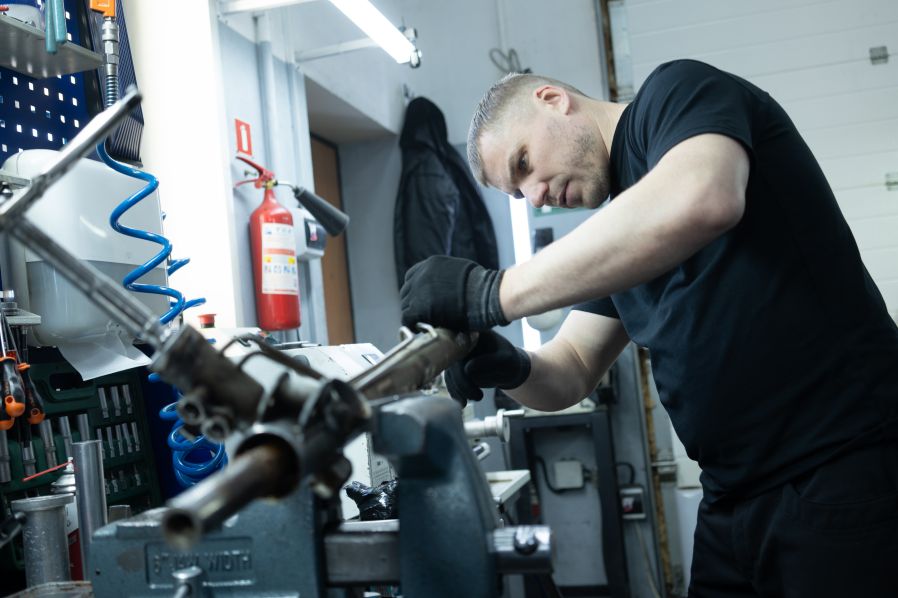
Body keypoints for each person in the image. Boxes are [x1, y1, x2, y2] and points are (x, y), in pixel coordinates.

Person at [399, 59, 898, 597]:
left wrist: (491, 294)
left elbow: (706, 197)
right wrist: (507, 366)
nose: (535, 196)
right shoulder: (625, 231)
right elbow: (572, 370)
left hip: (838, 467)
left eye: (524, 164)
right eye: (519, 194)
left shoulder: (675, 93)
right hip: (732, 498)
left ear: (552, 99)